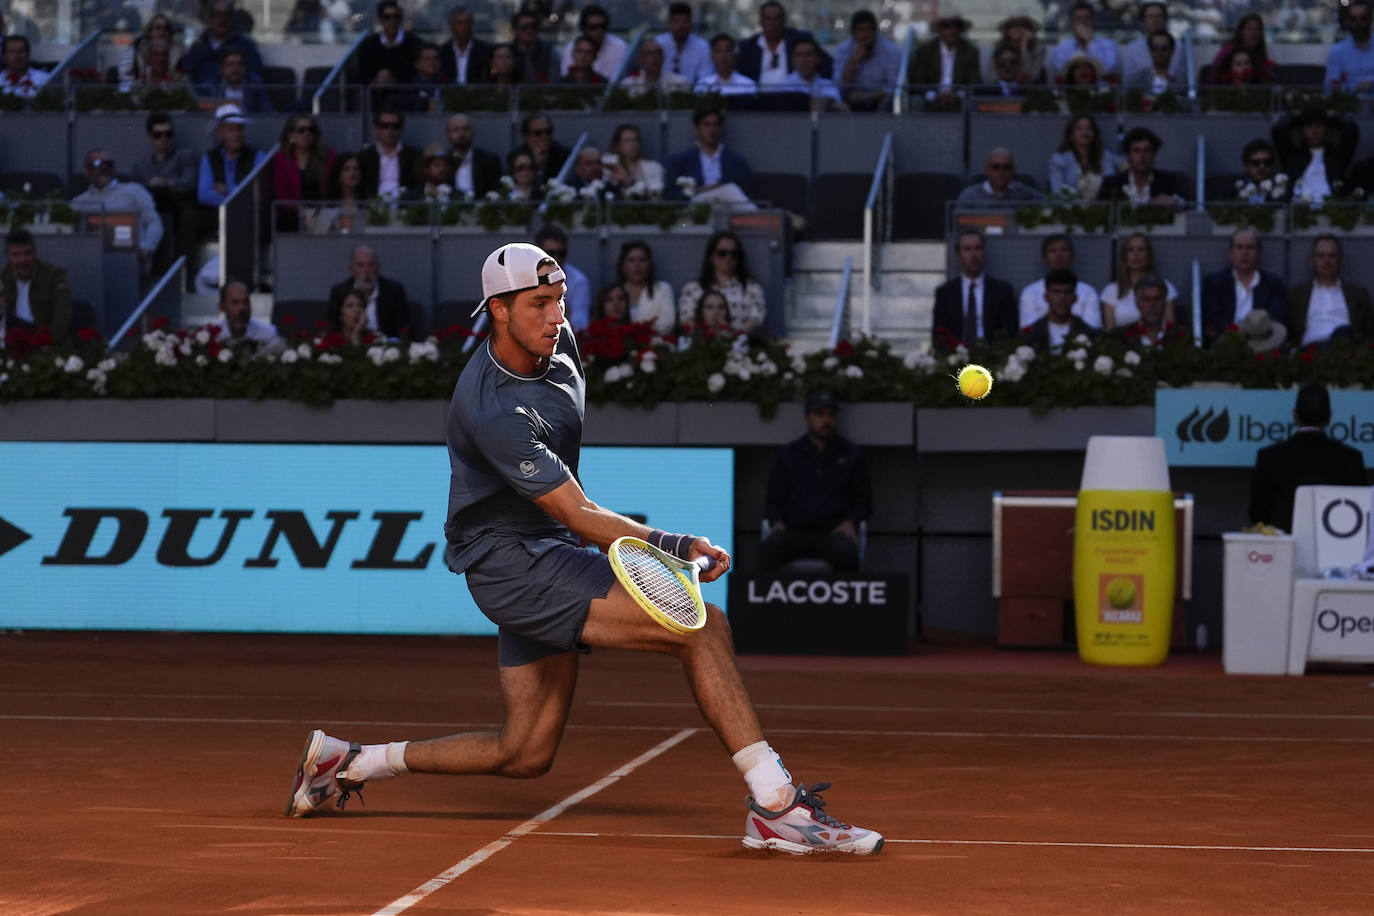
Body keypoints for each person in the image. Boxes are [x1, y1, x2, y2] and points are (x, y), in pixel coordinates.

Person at [286, 241, 884, 856]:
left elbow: (570, 504)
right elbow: (577, 511)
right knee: (702, 627)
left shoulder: (558, 344)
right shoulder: (494, 408)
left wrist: (618, 543)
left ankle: (351, 763)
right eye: (539, 304)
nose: (556, 316)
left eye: (560, 301)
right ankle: (777, 806)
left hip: (544, 550)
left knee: (525, 753)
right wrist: (671, 545)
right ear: (498, 309)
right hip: (511, 565)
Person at [760, 389, 872, 575]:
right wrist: (776, 521)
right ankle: (763, 604)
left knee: (846, 552)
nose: (826, 421)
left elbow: (864, 501)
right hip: (793, 531)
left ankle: (847, 604)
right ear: (808, 418)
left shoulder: (852, 454)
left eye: (830, 415)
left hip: (833, 532)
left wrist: (851, 522)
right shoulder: (789, 454)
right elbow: (773, 499)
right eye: (819, 414)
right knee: (769, 548)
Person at [1249, 383, 1367, 533]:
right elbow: (1361, 515)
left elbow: (1257, 515)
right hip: (1335, 549)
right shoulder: (1351, 459)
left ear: (1294, 415)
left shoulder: (1269, 458)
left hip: (1284, 550)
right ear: (1329, 416)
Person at [71, 148, 164, 270]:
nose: (104, 168)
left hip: (131, 265)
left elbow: (154, 222)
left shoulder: (135, 190)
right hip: (90, 267)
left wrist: (146, 248)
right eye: (97, 164)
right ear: (86, 171)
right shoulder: (78, 203)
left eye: (108, 164)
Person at [931, 229, 1018, 350]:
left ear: (984, 252)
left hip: (993, 359)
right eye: (967, 249)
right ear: (958, 255)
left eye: (978, 248)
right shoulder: (945, 293)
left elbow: (1010, 331)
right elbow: (939, 334)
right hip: (955, 359)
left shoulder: (1002, 291)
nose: (973, 255)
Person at [132, 112, 201, 263]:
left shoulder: (186, 156)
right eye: (158, 134)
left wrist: (165, 183)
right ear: (150, 137)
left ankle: (183, 269)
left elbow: (188, 184)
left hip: (178, 207)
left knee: (187, 215)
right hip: (150, 209)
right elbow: (135, 192)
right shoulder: (140, 166)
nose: (164, 138)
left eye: (168, 134)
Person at [1200, 228, 1287, 343]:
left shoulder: (1273, 283)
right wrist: (1237, 333)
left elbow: (1276, 318)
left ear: (1259, 253)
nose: (1244, 253)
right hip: (1226, 342)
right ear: (1231, 254)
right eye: (1239, 247)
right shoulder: (1214, 282)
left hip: (1262, 343)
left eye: (1250, 247)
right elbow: (1213, 318)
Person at [1285, 234, 1374, 347]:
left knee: (1344, 334)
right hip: (1310, 354)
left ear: (1340, 259)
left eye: (1332, 255)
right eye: (1321, 256)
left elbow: (1369, 331)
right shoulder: (1296, 295)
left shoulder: (1358, 294)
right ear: (1312, 260)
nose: (1327, 261)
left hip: (1346, 352)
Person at [677, 230, 766, 336]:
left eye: (734, 254)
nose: (728, 257)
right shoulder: (693, 288)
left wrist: (734, 335)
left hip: (739, 345)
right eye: (722, 253)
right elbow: (686, 318)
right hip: (702, 345)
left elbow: (756, 316)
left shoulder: (751, 287)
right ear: (711, 256)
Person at [664, 107, 752, 203]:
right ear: (697, 128)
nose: (711, 129)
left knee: (730, 190)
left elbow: (746, 192)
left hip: (727, 209)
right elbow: (669, 194)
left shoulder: (737, 162)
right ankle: (757, 217)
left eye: (715, 125)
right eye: (706, 125)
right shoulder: (680, 160)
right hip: (696, 206)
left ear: (720, 128)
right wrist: (697, 191)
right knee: (730, 189)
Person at [735, 1, 831, 87]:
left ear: (784, 20)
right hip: (756, 103)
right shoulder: (748, 47)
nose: (772, 23)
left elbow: (827, 65)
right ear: (761, 22)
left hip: (795, 101)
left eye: (777, 18)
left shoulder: (800, 39)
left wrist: (813, 88)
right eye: (768, 19)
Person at [1272, 108, 1358, 204]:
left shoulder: (1337, 156)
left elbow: (1351, 129)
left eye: (1319, 126)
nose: (1315, 131)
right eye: (1309, 126)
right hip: (1297, 211)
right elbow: (1279, 129)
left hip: (1331, 210)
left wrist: (1332, 115)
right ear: (1303, 129)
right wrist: (1297, 115)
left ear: (1326, 128)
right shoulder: (1293, 155)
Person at [327, 244, 413, 339]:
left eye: (371, 265)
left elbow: (404, 329)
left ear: (378, 268)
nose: (367, 270)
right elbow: (332, 327)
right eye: (361, 265)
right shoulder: (339, 291)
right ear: (351, 270)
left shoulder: (394, 291)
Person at [2, 229, 72, 342]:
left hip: (43, 344)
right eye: (16, 255)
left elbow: (62, 316)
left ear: (35, 252)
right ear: (8, 256)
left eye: (28, 253)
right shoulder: (2, 278)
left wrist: (50, 345)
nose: (23, 260)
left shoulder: (53, 276)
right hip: (11, 344)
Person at [1019, 234, 1102, 329]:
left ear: (1072, 256)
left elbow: (1093, 329)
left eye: (1064, 250)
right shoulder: (1030, 292)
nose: (1059, 255)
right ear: (1044, 258)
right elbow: (1028, 330)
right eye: (1052, 251)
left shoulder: (1088, 292)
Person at [1098, 233, 1177, 330]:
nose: (1136, 254)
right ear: (1125, 256)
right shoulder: (1111, 291)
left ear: (1148, 255)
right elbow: (1110, 331)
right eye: (1131, 250)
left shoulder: (1166, 286)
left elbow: (1170, 327)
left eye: (1141, 249)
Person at [178, 0, 264, 89]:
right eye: (217, 15)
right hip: (202, 99)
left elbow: (255, 75)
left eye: (226, 15)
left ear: (232, 18)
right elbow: (187, 73)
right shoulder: (199, 46)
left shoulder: (245, 45)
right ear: (210, 18)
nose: (221, 19)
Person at [271, 114, 335, 231]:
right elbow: (281, 194)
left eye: (311, 130)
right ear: (291, 135)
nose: (307, 133)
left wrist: (317, 213)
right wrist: (303, 213)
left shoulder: (328, 156)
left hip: (323, 211)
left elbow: (333, 189)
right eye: (301, 130)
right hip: (293, 214)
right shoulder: (281, 159)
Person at [1095, 127, 1190, 206]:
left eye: (1147, 150)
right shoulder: (1111, 184)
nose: (1142, 156)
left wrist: (1173, 201)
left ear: (1154, 154)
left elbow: (1188, 205)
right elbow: (1098, 213)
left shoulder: (1170, 181)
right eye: (1136, 151)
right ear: (1128, 155)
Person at [197, 104, 268, 208]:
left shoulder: (257, 156)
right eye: (231, 130)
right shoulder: (209, 157)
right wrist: (236, 202)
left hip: (248, 215)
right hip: (217, 216)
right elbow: (204, 195)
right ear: (220, 133)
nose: (237, 134)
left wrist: (228, 189)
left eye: (239, 129)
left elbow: (260, 193)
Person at [832, 9, 901, 111]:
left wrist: (868, 96)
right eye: (860, 30)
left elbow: (894, 87)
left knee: (888, 103)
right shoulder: (842, 50)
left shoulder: (891, 51)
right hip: (853, 100)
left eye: (869, 30)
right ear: (853, 33)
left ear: (875, 31)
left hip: (881, 99)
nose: (865, 35)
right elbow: (839, 85)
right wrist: (853, 62)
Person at [912, 11, 980, 111]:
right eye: (946, 26)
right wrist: (934, 95)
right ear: (939, 29)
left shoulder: (970, 51)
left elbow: (973, 80)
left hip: (959, 98)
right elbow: (917, 79)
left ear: (961, 29)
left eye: (957, 25)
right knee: (916, 101)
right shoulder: (926, 50)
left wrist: (957, 95)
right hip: (932, 97)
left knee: (973, 103)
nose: (952, 30)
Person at [1020, 267, 1097, 351]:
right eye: (1056, 292)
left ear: (1075, 298)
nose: (1062, 298)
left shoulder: (1089, 334)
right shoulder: (1029, 334)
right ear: (1046, 297)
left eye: (1067, 292)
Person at [1049, 115, 1125, 199]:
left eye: (1089, 128)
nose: (1084, 132)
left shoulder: (1106, 156)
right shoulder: (1060, 160)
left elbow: (1131, 163)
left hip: (1104, 207)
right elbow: (1058, 192)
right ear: (1071, 135)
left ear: (1094, 134)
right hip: (1072, 208)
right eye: (1078, 128)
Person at [532, 225, 590, 329]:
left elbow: (580, 325)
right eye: (550, 253)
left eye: (561, 254)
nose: (556, 258)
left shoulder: (578, 280)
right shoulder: (524, 276)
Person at [209, 279, 285, 355]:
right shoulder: (212, 337)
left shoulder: (267, 333)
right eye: (235, 302)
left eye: (246, 302)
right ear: (221, 306)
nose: (242, 308)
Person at [614, 240, 675, 335]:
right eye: (631, 260)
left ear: (649, 264)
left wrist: (634, 332)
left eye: (642, 260)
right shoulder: (613, 292)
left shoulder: (662, 289)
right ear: (623, 265)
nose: (637, 264)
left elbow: (667, 324)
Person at [360, 106, 422, 198]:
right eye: (384, 126)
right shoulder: (364, 156)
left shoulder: (414, 156)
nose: (390, 130)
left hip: (405, 208)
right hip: (372, 207)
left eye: (395, 126)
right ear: (375, 129)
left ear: (401, 129)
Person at [1107, 275, 1185, 347]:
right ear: (1137, 303)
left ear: (1165, 302)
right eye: (1146, 299)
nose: (1152, 305)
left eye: (1158, 299)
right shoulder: (1119, 337)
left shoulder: (1183, 337)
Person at [771, 36, 846, 110]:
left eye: (809, 54)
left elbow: (837, 108)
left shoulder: (828, 86)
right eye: (799, 55)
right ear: (793, 60)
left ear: (817, 59)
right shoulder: (783, 86)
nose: (804, 60)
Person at [357, 0, 421, 86]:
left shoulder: (414, 43)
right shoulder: (368, 45)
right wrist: (377, 81)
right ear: (379, 20)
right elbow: (362, 76)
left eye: (396, 16)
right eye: (387, 17)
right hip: (376, 96)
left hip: (406, 95)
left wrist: (394, 80)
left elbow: (418, 74)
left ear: (400, 19)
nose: (392, 20)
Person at [558, 4, 626, 81]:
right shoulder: (572, 47)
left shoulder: (620, 47)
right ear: (583, 28)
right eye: (593, 27)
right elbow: (566, 80)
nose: (598, 31)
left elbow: (616, 81)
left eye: (602, 26)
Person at [1049, 2, 1117, 79]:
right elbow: (1063, 73)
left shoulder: (1109, 45)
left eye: (1087, 18)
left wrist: (1089, 42)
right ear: (1071, 23)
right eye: (1078, 19)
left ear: (1093, 21)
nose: (1083, 22)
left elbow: (1107, 70)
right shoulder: (1061, 48)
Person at [444, 114, 503, 199]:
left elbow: (496, 190)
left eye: (465, 129)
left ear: (472, 133)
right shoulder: (443, 161)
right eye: (456, 130)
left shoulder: (488, 160)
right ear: (447, 135)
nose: (462, 133)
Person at [956, 148, 1043, 205]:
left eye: (1007, 167)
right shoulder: (969, 196)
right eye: (996, 167)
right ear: (987, 169)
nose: (1001, 172)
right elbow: (960, 227)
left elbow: (1048, 204)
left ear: (1013, 170)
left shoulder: (1020, 191)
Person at [1120, 2, 1178, 87]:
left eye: (1159, 16)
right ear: (1143, 20)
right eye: (1150, 16)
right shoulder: (1130, 49)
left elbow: (1181, 78)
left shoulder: (1178, 46)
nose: (1155, 20)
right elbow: (1128, 82)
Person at [199, 46, 273, 113]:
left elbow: (267, 112)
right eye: (230, 65)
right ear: (221, 68)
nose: (236, 69)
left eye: (240, 64)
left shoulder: (255, 83)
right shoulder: (210, 86)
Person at [655, 1, 712, 84]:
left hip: (693, 95)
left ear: (691, 24)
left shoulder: (703, 47)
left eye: (685, 21)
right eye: (676, 21)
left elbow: (706, 80)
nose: (681, 26)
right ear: (669, 23)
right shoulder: (658, 44)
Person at [117, 12, 176, 91]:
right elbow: (124, 77)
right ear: (149, 30)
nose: (161, 32)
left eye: (166, 28)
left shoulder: (177, 50)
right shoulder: (135, 48)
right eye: (158, 28)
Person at [1211, 13, 1277, 85]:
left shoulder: (1259, 55)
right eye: (1250, 29)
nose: (1255, 33)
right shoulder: (1228, 51)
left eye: (1258, 29)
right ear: (1241, 32)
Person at [1325, 0, 1374, 95]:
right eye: (1353, 19)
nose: (1358, 22)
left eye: (1362, 18)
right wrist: (1354, 88)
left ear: (1369, 20)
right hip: (1349, 106)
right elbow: (1329, 88)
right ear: (1347, 22)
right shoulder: (1338, 51)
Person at [314, 153, 373, 232]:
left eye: (356, 169)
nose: (353, 173)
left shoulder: (368, 205)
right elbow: (319, 235)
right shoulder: (327, 206)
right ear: (338, 176)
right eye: (347, 169)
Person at [511, 113, 571, 190]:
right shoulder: (516, 156)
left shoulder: (562, 154)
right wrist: (534, 164)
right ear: (525, 137)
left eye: (548, 132)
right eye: (538, 133)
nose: (544, 137)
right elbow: (514, 185)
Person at [602, 124, 664, 196]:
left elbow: (656, 193)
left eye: (635, 140)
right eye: (626, 140)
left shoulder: (654, 167)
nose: (632, 144)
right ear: (618, 145)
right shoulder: (609, 167)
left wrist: (628, 181)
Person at [438, 5, 491, 85]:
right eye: (459, 23)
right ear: (451, 26)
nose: (464, 27)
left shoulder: (485, 50)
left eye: (468, 22)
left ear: (472, 25)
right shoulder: (442, 51)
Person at [694, 33, 758, 96]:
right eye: (719, 51)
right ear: (712, 56)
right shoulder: (702, 85)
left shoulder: (748, 86)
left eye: (728, 50)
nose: (723, 56)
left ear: (735, 55)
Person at [619, 38, 690, 94]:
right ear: (641, 59)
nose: (655, 57)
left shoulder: (679, 83)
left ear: (663, 58)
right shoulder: (628, 85)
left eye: (658, 53)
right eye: (649, 53)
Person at [1125, 30, 1183, 95]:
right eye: (1155, 47)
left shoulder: (1182, 81)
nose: (1159, 51)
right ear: (1149, 50)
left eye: (1165, 48)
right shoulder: (1138, 79)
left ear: (1172, 51)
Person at [995, 11, 1045, 84]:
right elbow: (991, 77)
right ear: (1007, 30)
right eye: (1012, 25)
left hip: (1029, 89)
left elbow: (1033, 76)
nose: (1017, 29)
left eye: (1022, 25)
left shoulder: (1038, 48)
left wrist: (1024, 46)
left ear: (1029, 29)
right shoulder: (998, 46)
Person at [509, 9, 556, 85]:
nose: (529, 30)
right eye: (524, 27)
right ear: (515, 30)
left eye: (533, 26)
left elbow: (554, 81)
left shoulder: (548, 52)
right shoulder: (508, 52)